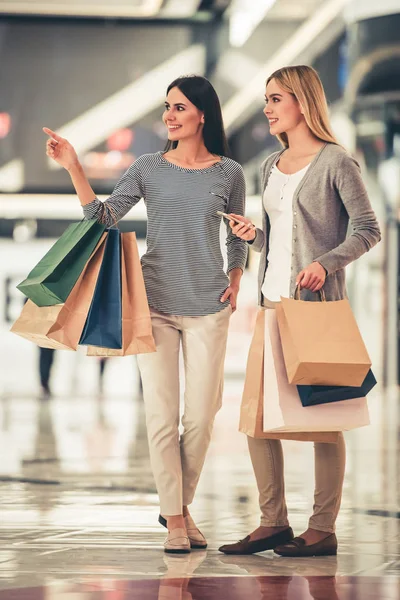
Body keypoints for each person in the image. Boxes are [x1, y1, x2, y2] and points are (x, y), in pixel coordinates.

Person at [43, 75, 247, 554]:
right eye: (167, 107)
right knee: (161, 417)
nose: (169, 116)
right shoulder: (148, 167)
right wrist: (74, 167)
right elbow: (104, 217)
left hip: (209, 307)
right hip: (153, 303)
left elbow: (236, 235)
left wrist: (236, 276)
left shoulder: (229, 173)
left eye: (179, 108)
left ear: (202, 114)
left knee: (201, 417)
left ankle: (180, 505)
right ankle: (176, 519)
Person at [218, 65, 381, 557]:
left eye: (275, 99)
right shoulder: (271, 165)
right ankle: (273, 522)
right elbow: (282, 237)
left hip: (314, 310)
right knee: (256, 419)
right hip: (270, 304)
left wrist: (325, 264)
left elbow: (368, 229)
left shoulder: (337, 162)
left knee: (324, 420)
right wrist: (255, 237)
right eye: (266, 100)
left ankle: (323, 528)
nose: (267, 109)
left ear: (302, 101)